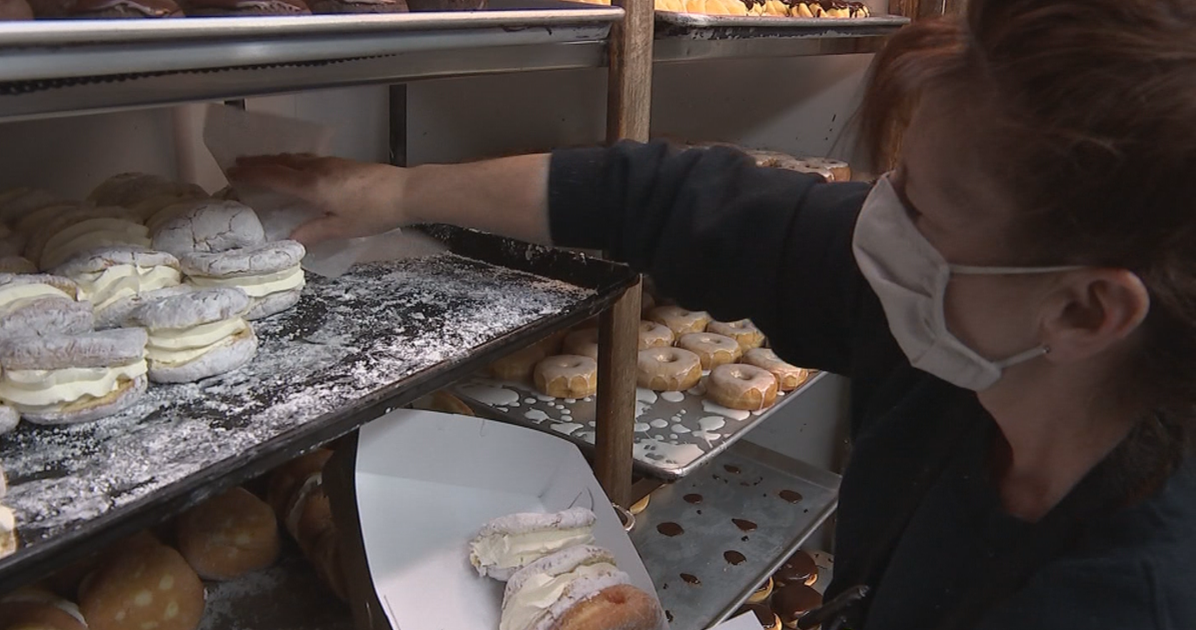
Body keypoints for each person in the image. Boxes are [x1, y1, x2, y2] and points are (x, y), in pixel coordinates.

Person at [229, 0, 1196, 627]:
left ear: (1085, 310)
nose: (872, 223)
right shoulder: (978, 345)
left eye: (924, 207)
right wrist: (399, 193)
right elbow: (666, 197)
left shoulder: (1125, 597)